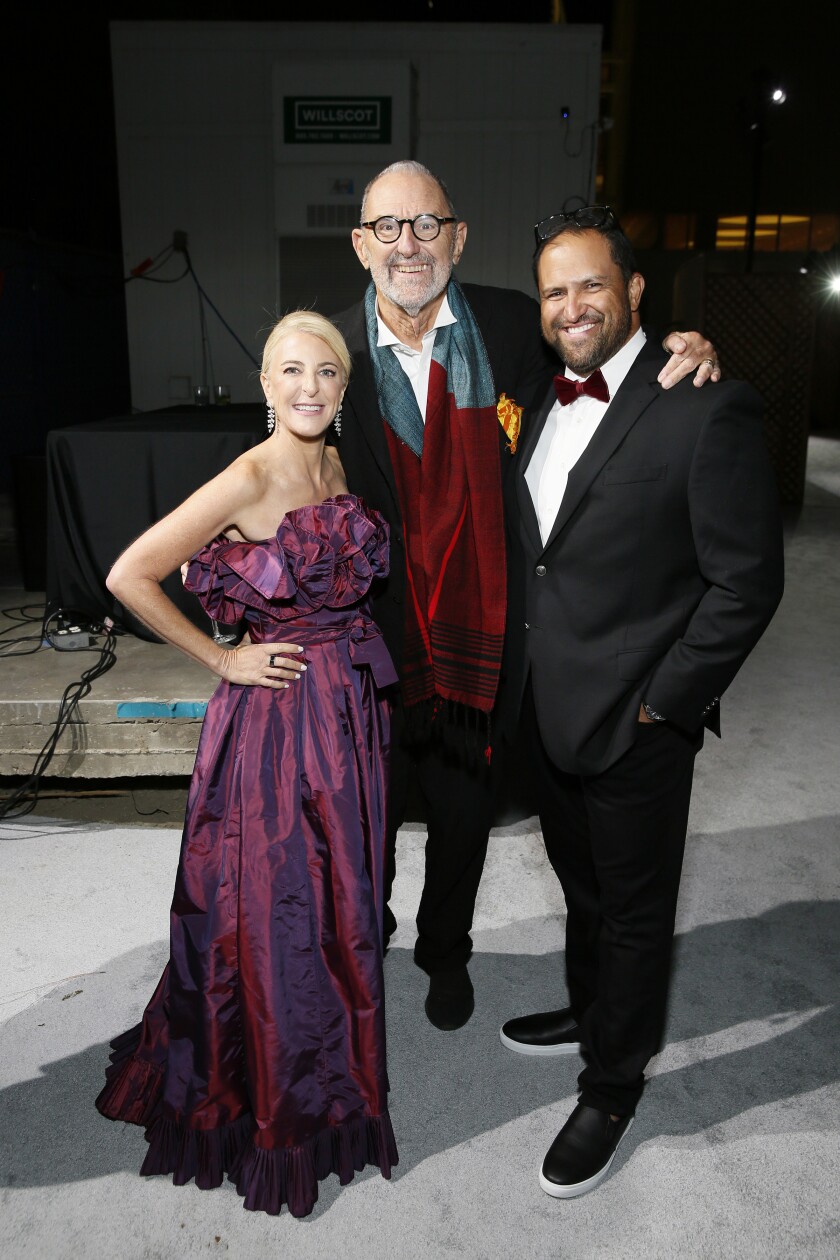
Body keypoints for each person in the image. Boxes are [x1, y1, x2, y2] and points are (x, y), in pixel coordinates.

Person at [330, 159, 721, 1031]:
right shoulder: (335, 358)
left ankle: (445, 952)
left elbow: (603, 353)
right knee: (363, 826)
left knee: (463, 821)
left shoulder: (513, 325)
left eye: (428, 224)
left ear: (459, 237)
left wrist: (681, 347)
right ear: (361, 245)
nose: (408, 244)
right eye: (388, 226)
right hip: (375, 647)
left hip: (483, 646)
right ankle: (363, 944)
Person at [499, 207, 784, 1197]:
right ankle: (592, 1011)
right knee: (581, 888)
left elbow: (747, 581)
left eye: (590, 284)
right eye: (553, 291)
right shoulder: (535, 394)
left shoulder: (705, 404)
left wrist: (666, 703)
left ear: (633, 291)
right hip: (544, 710)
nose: (571, 305)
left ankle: (614, 1084)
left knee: (633, 913)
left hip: (636, 722)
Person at [94, 311, 399, 1218]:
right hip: (278, 729)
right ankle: (281, 1100)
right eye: (291, 371)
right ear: (265, 385)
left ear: (344, 388)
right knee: (275, 916)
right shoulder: (250, 475)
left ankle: (337, 1070)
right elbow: (129, 574)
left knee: (343, 905)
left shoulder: (337, 465)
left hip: (348, 716)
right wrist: (222, 658)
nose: (310, 388)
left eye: (327, 373)